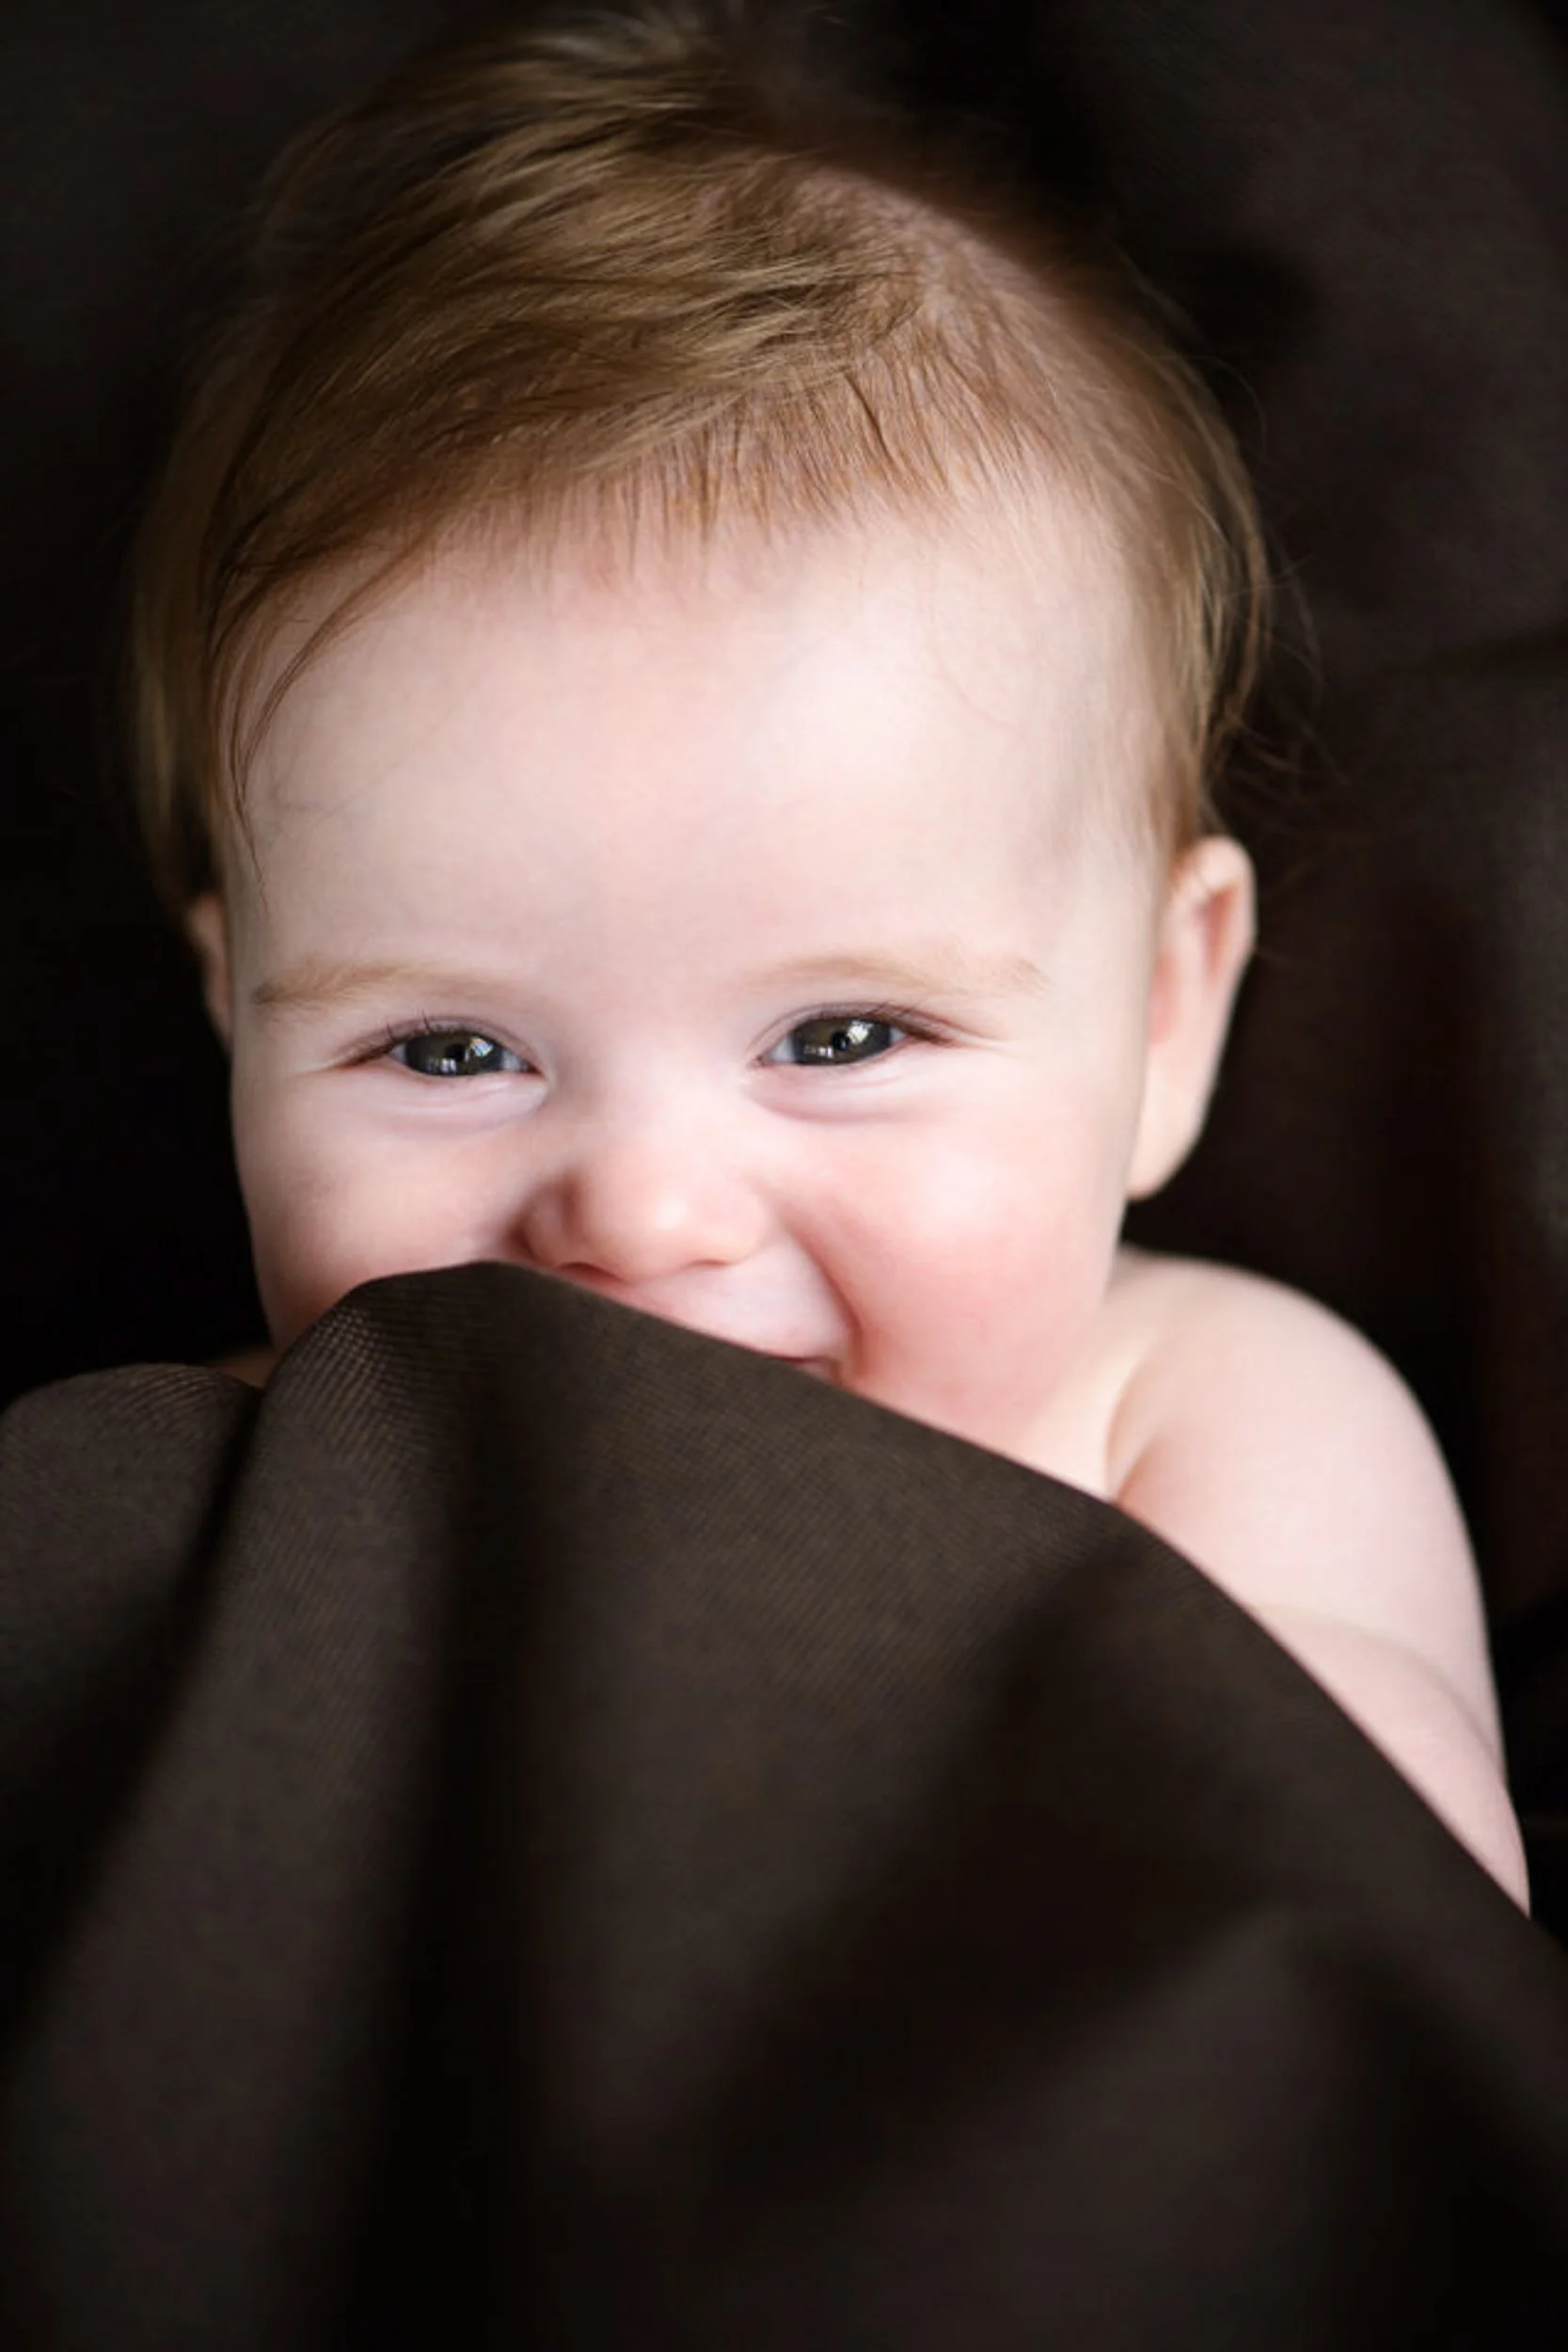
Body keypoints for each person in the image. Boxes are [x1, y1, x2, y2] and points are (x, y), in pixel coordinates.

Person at [123, 0, 1528, 1907]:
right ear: (235, 1026)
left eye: (842, 1028)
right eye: (448, 1051)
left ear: (1159, 1016)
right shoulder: (246, 1479)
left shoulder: (1190, 1408)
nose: (640, 1212)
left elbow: (1374, 1926)